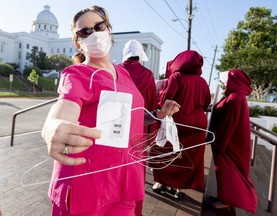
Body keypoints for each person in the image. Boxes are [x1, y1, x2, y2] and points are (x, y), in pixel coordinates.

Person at [41, 5, 180, 216]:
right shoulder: (77, 74)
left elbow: (129, 116)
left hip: (123, 178)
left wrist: (158, 115)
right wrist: (53, 126)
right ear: (77, 42)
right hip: (86, 182)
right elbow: (65, 105)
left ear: (109, 30)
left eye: (99, 26)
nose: (94, 34)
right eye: (85, 31)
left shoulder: (123, 74)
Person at [151, 50, 211, 199]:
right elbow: (206, 104)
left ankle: (161, 183)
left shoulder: (177, 77)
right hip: (197, 125)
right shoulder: (202, 82)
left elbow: (165, 99)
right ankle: (179, 189)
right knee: (188, 156)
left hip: (177, 121)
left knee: (165, 152)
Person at [205, 69, 258, 213]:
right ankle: (223, 197)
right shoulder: (235, 96)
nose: (225, 83)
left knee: (229, 173)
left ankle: (226, 200)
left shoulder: (235, 98)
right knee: (225, 173)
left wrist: (219, 144)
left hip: (229, 144)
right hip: (230, 143)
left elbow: (229, 124)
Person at [120, 39, 158, 215]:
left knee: (116, 168)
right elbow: (151, 105)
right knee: (136, 169)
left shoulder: (116, 70)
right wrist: (151, 132)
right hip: (139, 127)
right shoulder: (148, 74)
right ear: (140, 54)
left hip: (118, 126)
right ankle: (134, 209)